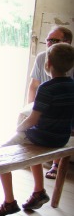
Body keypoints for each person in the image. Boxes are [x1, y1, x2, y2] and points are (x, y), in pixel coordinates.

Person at [0, 43, 74, 216]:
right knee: (31, 146)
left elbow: (33, 119)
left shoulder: (46, 88)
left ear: (48, 64)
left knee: (0, 153)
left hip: (43, 137)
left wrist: (19, 128)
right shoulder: (72, 86)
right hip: (61, 138)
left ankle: (9, 202)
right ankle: (38, 191)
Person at [26, 26, 73, 179]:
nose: (50, 43)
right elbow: (33, 86)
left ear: (67, 43)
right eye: (48, 40)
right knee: (27, 118)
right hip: (43, 106)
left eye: (55, 40)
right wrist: (30, 107)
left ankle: (55, 163)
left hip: (64, 108)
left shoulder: (69, 61)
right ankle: (33, 166)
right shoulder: (41, 58)